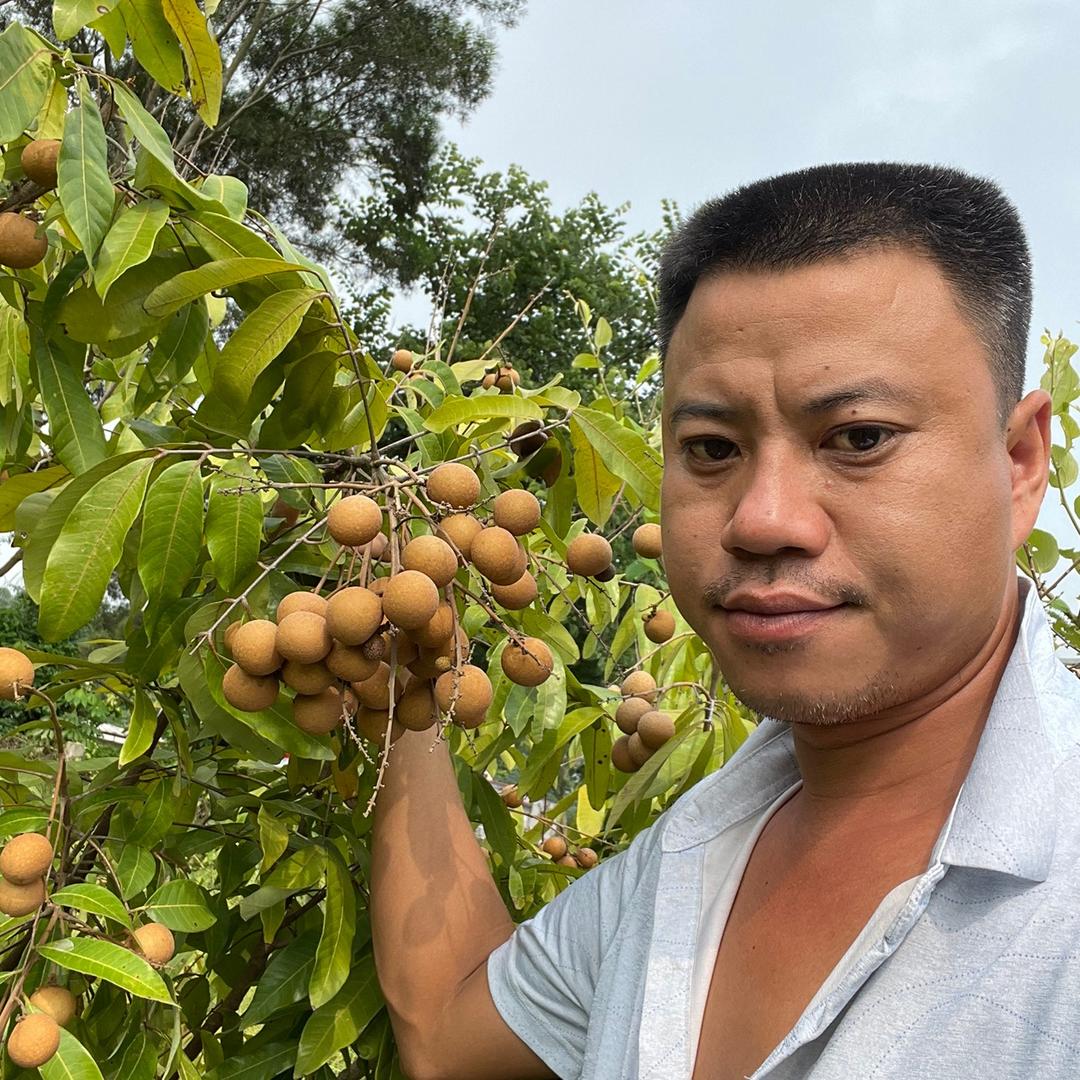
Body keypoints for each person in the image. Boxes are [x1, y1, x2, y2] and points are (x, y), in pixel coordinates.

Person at [370, 162, 1079, 1080]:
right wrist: (406, 697)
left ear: (1020, 462)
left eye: (859, 437)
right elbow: (450, 1037)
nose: (763, 519)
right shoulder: (695, 849)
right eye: (711, 449)